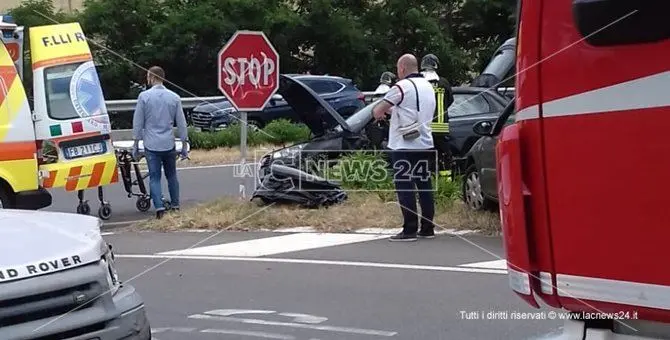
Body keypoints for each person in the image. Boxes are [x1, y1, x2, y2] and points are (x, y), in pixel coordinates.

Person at [372, 54, 438, 242]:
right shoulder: (428, 86)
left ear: (402, 69)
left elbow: (378, 110)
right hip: (425, 142)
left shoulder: (400, 87)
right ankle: (427, 228)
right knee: (424, 185)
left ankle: (409, 229)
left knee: (405, 186)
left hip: (403, 145)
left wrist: (383, 114)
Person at [132, 66, 189, 219]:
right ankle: (175, 205)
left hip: (152, 144)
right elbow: (182, 124)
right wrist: (184, 144)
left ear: (151, 77)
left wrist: (136, 143)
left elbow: (138, 122)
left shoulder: (144, 97)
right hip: (168, 143)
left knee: (155, 177)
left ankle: (159, 208)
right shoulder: (174, 97)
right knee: (171, 175)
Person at [421, 53, 455, 178]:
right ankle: (446, 183)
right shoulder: (444, 83)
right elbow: (450, 100)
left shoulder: (419, 83)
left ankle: (427, 180)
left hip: (424, 127)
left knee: (425, 155)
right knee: (444, 154)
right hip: (441, 128)